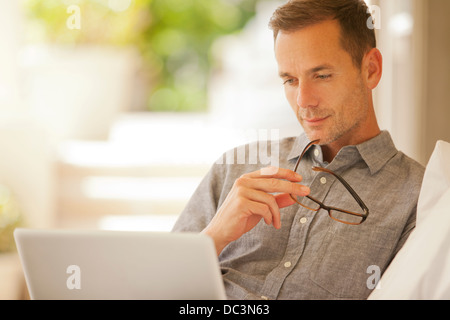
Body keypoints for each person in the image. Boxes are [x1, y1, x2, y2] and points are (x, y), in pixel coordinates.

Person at [172, 0, 424, 300]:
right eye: (290, 80)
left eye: (322, 75)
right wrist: (214, 238)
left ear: (371, 69)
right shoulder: (235, 169)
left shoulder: (419, 199)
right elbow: (151, 288)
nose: (303, 100)